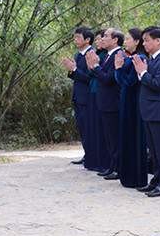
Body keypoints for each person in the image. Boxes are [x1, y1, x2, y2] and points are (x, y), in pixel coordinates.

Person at [133, 26, 160, 197]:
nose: (144, 43)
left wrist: (143, 72)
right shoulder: (153, 59)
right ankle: (156, 181)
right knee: (154, 151)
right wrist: (142, 72)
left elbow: (157, 84)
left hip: (159, 112)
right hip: (150, 111)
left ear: (158, 41)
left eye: (146, 40)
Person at [85, 28, 125, 180]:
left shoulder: (118, 55)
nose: (103, 38)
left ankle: (118, 168)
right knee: (109, 138)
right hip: (104, 102)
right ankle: (112, 166)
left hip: (112, 103)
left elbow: (109, 79)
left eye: (106, 36)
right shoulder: (108, 55)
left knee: (114, 138)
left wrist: (95, 66)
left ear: (115, 40)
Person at [113, 28, 149, 188]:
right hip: (126, 100)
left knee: (134, 138)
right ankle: (127, 175)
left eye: (128, 39)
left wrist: (119, 68)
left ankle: (136, 177)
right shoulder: (130, 57)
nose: (125, 42)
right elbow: (120, 80)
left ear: (137, 41)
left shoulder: (139, 58)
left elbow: (131, 82)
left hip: (134, 103)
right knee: (126, 137)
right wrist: (118, 68)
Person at [62, 26, 95, 166]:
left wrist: (75, 69)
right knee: (81, 127)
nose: (75, 40)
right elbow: (76, 76)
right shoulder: (77, 54)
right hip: (78, 95)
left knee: (89, 127)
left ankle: (92, 155)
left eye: (78, 37)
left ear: (87, 39)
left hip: (88, 97)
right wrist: (72, 70)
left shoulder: (92, 54)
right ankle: (87, 153)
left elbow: (90, 77)